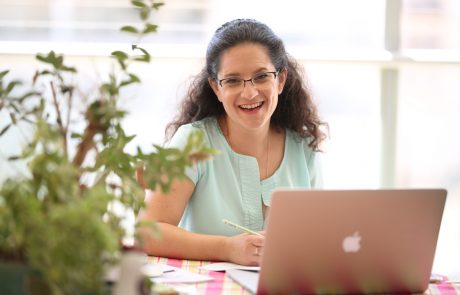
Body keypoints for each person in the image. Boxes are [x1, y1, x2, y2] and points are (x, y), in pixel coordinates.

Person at [138, 19, 327, 266]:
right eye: (233, 80)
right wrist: (228, 248)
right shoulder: (192, 143)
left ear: (280, 80)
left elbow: (320, 239)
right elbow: (148, 233)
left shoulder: (304, 150)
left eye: (261, 77)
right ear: (216, 88)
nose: (249, 93)